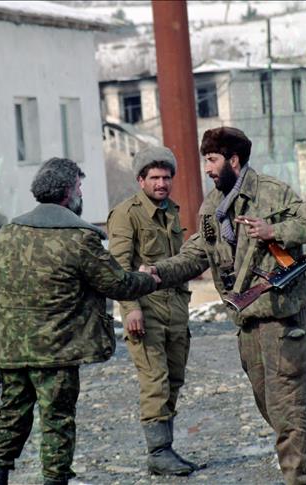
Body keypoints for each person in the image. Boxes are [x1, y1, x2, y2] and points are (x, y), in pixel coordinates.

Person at [143, 127, 306, 485]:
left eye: (212, 160)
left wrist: (274, 231)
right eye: (206, 160)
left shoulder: (271, 192)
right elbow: (197, 254)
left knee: (285, 407)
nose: (207, 168)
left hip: (282, 317)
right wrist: (159, 272)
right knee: (270, 406)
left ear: (233, 160)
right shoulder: (212, 207)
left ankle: (302, 478)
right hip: (247, 320)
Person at [0, 157, 161, 485]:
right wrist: (149, 278)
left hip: (13, 349)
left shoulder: (7, 234)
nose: (81, 193)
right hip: (58, 351)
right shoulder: (79, 237)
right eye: (79, 186)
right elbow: (117, 283)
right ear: (66, 192)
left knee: (11, 416)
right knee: (57, 422)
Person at [106, 146, 197, 476]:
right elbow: (118, 267)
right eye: (155, 178)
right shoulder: (126, 214)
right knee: (155, 380)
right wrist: (130, 308)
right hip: (145, 310)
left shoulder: (171, 211)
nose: (161, 184)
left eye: (166, 178)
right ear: (140, 180)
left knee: (174, 378)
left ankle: (166, 449)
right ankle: (158, 452)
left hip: (176, 308)